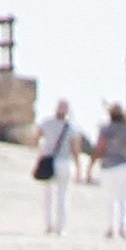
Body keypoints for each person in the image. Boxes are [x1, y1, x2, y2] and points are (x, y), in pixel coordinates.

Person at [94, 102, 126, 241]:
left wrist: (91, 164)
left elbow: (100, 147)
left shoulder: (105, 129)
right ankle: (123, 226)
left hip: (108, 166)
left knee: (109, 199)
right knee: (125, 199)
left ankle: (111, 226)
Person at [37, 97, 84, 238]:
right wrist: (79, 167)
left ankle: (48, 225)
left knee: (48, 195)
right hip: (64, 162)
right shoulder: (72, 127)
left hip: (48, 160)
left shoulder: (46, 123)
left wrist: (41, 152)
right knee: (63, 196)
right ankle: (60, 228)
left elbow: (36, 136)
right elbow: (76, 149)